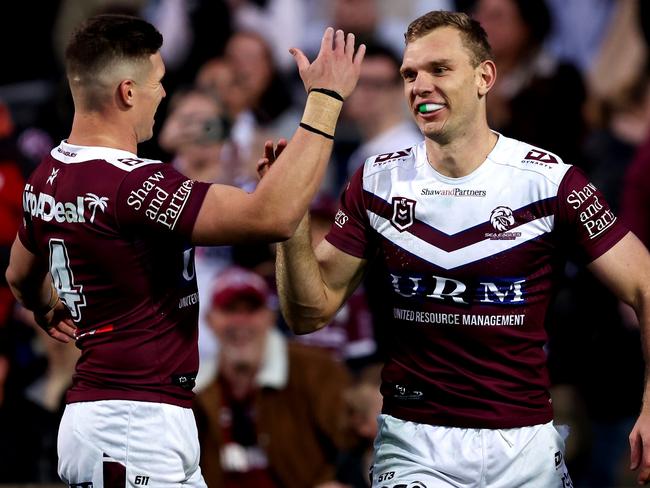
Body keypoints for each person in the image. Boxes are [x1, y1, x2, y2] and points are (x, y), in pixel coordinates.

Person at [273, 10, 650, 487]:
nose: (420, 85)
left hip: (524, 447)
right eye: (410, 74)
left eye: (439, 69)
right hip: (414, 444)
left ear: (484, 76)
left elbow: (645, 283)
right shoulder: (377, 180)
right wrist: (289, 225)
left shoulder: (548, 181)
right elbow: (309, 312)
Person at [4, 13, 364, 487]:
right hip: (131, 426)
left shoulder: (47, 174)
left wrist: (46, 304)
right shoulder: (133, 186)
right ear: (127, 92)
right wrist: (326, 98)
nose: (164, 94)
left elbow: (18, 274)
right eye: (158, 82)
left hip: (120, 418)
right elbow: (271, 216)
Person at [193, 266, 351, 488]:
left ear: (269, 317)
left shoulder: (314, 370)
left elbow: (354, 438)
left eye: (251, 310)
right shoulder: (194, 390)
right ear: (209, 320)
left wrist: (342, 482)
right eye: (229, 310)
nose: (240, 322)